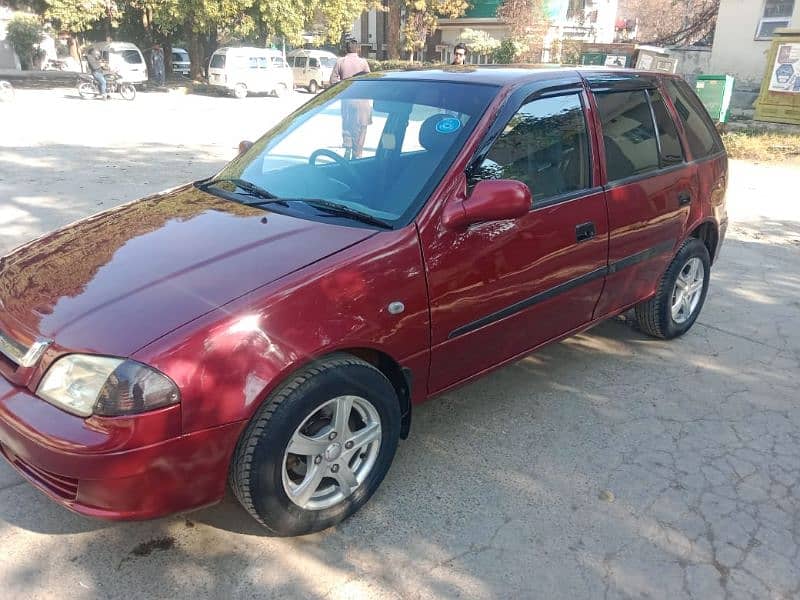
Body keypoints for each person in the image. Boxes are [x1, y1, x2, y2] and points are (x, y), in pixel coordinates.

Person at [329, 39, 371, 160]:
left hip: (347, 101)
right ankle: (358, 154)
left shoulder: (340, 62)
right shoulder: (363, 63)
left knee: (348, 126)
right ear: (357, 49)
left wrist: (344, 86)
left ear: (345, 49)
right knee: (361, 128)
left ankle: (348, 149)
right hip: (362, 102)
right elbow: (369, 80)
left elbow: (333, 81)